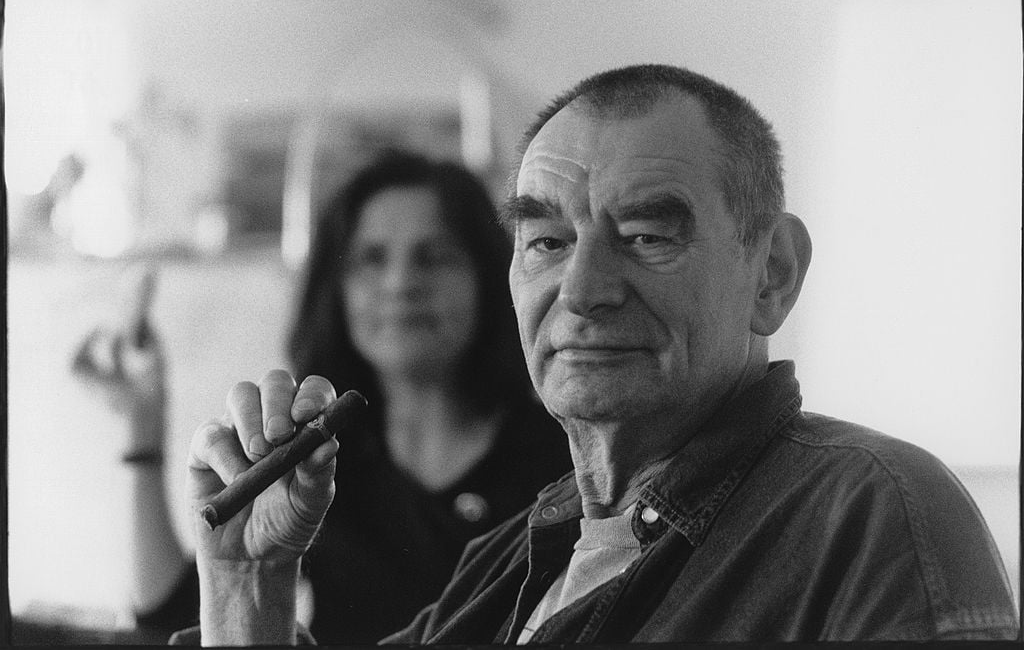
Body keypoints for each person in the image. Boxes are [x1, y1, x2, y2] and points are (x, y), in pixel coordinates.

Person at [182, 64, 1019, 644]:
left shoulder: (873, 511)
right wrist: (247, 584)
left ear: (773, 272)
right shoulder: (511, 558)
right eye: (546, 239)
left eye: (649, 234)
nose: (583, 289)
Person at [70, 151, 571, 643]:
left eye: (433, 257)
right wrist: (143, 425)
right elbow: (168, 619)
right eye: (371, 259)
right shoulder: (318, 463)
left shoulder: (564, 458)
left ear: (487, 277)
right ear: (337, 289)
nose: (400, 283)